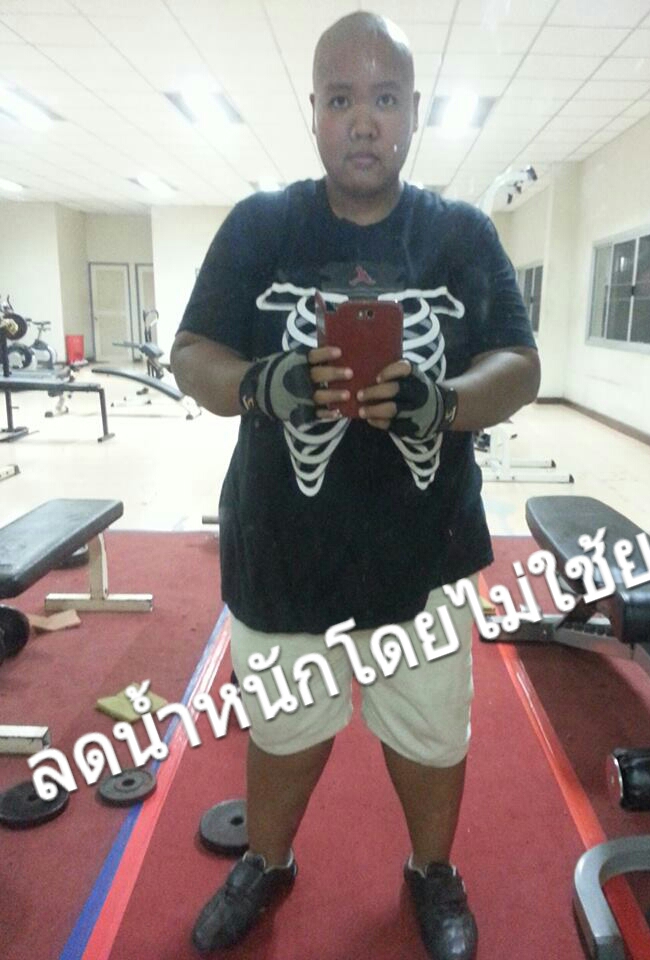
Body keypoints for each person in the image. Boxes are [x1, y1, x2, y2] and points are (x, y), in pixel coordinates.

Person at [171, 11, 540, 960]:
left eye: (383, 99)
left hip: (423, 550)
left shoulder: (459, 233)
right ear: (314, 112)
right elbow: (193, 351)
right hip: (282, 547)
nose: (363, 120)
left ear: (412, 113)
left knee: (430, 731)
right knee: (283, 724)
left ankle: (430, 871)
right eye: (341, 99)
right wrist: (261, 384)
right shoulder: (261, 226)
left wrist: (442, 404)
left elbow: (518, 364)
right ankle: (267, 860)